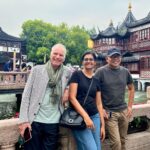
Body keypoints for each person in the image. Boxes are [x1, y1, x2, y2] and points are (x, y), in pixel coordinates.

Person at [18, 43, 72, 150]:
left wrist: (67, 89)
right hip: (34, 120)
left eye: (61, 55)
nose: (57, 57)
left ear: (64, 58)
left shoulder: (67, 72)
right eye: (55, 53)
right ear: (50, 54)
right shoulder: (37, 70)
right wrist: (23, 120)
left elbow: (76, 82)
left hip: (54, 121)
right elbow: (26, 95)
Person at [95, 48, 135, 150]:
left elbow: (131, 88)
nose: (115, 59)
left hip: (123, 111)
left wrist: (130, 106)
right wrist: (101, 109)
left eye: (117, 57)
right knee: (116, 143)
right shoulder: (100, 72)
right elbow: (94, 91)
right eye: (113, 57)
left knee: (122, 140)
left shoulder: (125, 72)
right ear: (107, 58)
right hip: (109, 113)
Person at [69, 51, 105, 150]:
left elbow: (99, 103)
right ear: (82, 62)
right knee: (92, 148)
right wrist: (86, 117)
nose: (88, 61)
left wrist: (103, 126)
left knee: (97, 147)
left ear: (95, 62)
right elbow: (71, 97)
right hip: (79, 117)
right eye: (86, 59)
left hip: (94, 116)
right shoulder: (77, 75)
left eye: (91, 59)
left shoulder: (96, 80)